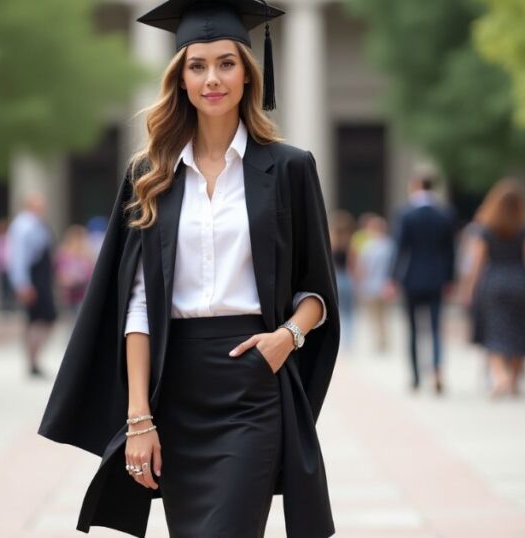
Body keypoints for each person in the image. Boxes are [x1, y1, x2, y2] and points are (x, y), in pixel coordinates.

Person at [37, 2, 340, 536]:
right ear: (179, 79)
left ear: (248, 72)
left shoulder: (289, 167)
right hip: (173, 386)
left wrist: (286, 338)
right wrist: (138, 418)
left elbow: (317, 291)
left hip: (252, 383)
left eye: (226, 63)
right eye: (196, 66)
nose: (212, 79)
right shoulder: (149, 176)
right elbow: (136, 306)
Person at [460, 180, 525, 398]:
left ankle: (499, 376)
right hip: (520, 283)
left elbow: (477, 263)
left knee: (494, 332)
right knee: (520, 332)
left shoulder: (486, 229)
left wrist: (469, 289)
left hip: (493, 283)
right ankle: (515, 381)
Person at [387, 177, 457, 393]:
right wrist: (450, 279)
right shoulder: (444, 214)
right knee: (436, 328)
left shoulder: (406, 213)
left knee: (413, 330)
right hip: (437, 278)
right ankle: (436, 369)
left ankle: (416, 376)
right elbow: (450, 251)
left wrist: (392, 278)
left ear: (415, 187)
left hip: (411, 278)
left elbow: (399, 248)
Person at [7, 193, 57, 378]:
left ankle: (34, 359)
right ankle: (32, 359)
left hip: (41, 277)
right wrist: (22, 284)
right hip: (34, 278)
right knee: (39, 318)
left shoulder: (36, 224)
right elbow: (18, 257)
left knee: (41, 319)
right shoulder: (23, 226)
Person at [354, 214, 394, 354]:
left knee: (373, 316)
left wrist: (359, 284)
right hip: (385, 286)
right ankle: (383, 340)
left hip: (370, 286)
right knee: (383, 316)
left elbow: (361, 268)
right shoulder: (389, 245)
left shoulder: (368, 246)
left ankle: (378, 341)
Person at [55, 224, 94, 322]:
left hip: (83, 295)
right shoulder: (64, 255)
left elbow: (90, 275)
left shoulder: (86, 255)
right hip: (69, 297)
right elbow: (61, 276)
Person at [330, 210, 356, 350]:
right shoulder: (350, 243)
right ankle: (349, 341)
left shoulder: (331, 243)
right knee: (349, 312)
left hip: (335, 277)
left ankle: (337, 339)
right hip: (347, 277)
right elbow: (353, 264)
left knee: (336, 312)